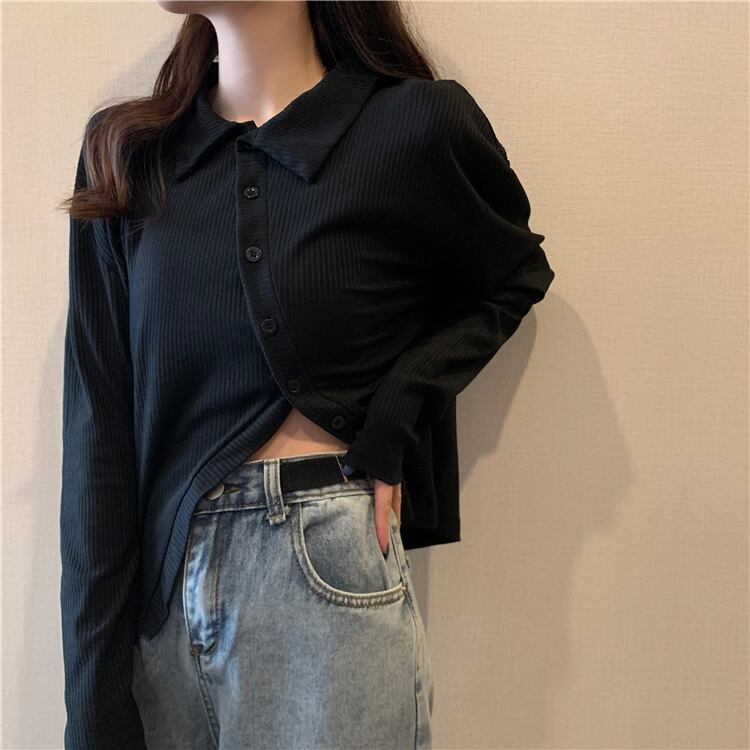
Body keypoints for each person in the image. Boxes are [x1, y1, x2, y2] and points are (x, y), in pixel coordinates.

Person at [58, 1, 555, 748]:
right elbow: (97, 434)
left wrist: (398, 411)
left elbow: (512, 275)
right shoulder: (129, 154)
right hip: (156, 602)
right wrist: (92, 693)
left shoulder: (413, 125)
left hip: (324, 579)